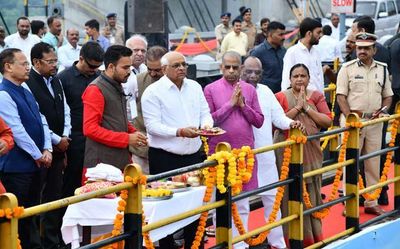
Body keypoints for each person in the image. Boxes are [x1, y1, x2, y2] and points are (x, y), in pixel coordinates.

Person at [141, 51, 212, 248]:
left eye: (184, 64)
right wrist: (179, 131)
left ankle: (194, 245)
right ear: (164, 69)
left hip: (194, 157)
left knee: (197, 204)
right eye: (176, 65)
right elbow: (152, 127)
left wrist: (206, 126)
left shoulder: (195, 87)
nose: (182, 68)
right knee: (167, 206)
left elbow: (205, 113)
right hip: (165, 158)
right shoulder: (153, 92)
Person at [241, 56, 304, 249]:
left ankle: (277, 243)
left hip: (266, 155)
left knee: (272, 200)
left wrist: (291, 123)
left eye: (257, 72)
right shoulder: (233, 91)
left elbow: (279, 118)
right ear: (241, 69)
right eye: (249, 71)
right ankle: (239, 245)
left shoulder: (266, 91)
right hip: (242, 158)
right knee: (240, 204)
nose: (253, 75)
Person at [204, 51, 264, 249]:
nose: (231, 71)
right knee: (218, 201)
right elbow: (209, 122)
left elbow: (259, 121)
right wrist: (230, 105)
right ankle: (222, 244)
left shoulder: (249, 90)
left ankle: (240, 245)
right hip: (219, 155)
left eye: (235, 67)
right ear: (221, 67)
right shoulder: (211, 89)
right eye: (227, 67)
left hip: (243, 154)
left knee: (243, 202)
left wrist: (243, 105)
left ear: (241, 68)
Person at [0, 48, 52, 249]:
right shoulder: (4, 94)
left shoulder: (25, 89)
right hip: (16, 168)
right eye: (23, 63)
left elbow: (42, 120)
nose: (27, 67)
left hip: (35, 163)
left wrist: (47, 147)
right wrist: (38, 154)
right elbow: (16, 131)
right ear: (8, 66)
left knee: (32, 214)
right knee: (18, 218)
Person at [336, 32, 393, 215]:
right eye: (359, 48)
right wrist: (351, 118)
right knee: (351, 162)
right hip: (354, 122)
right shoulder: (347, 68)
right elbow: (341, 97)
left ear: (374, 50)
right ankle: (349, 203)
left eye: (366, 48)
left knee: (373, 162)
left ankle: (371, 201)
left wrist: (383, 111)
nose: (362, 51)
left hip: (375, 122)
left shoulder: (382, 69)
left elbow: (388, 96)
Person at [275, 63, 331, 246]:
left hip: (311, 152)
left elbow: (327, 121)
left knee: (312, 195)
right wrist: (297, 108)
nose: (299, 79)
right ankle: (292, 240)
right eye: (295, 76)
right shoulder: (281, 97)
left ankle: (312, 239)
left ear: (308, 79)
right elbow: (276, 123)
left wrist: (306, 108)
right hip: (286, 154)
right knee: (289, 194)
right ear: (290, 80)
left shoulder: (316, 96)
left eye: (303, 76)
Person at [26, 42, 71, 249]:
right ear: (36, 62)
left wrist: (65, 135)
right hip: (42, 150)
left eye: (56, 61)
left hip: (61, 146)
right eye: (50, 61)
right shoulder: (28, 84)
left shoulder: (56, 80)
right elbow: (37, 118)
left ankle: (53, 241)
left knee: (55, 196)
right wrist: (55, 140)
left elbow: (65, 108)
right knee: (38, 200)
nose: (54, 65)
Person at [82, 45, 147, 171]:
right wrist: (127, 138)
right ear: (111, 67)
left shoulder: (117, 84)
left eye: (130, 67)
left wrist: (134, 133)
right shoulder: (95, 89)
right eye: (125, 67)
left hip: (119, 160)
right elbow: (90, 129)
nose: (129, 71)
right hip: (101, 167)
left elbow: (117, 118)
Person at [57, 41, 104, 198]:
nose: (93, 71)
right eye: (91, 66)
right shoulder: (63, 79)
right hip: (74, 140)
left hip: (97, 138)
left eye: (97, 67)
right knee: (72, 183)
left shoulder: (100, 78)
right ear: (81, 58)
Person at [130, 46, 167, 174]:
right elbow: (130, 111)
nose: (152, 74)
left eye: (157, 70)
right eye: (149, 69)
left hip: (169, 146)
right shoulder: (137, 81)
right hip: (142, 148)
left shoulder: (178, 83)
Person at [281, 18, 324, 93]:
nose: (320, 36)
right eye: (318, 32)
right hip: (301, 100)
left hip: (317, 100)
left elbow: (320, 79)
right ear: (309, 33)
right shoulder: (292, 52)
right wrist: (287, 100)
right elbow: (286, 80)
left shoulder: (316, 52)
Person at [250, 21, 286, 93]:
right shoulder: (257, 52)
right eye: (280, 35)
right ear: (270, 34)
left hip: (282, 94)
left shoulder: (284, 51)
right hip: (264, 95)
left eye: (284, 34)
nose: (284, 37)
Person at [123, 34, 148, 122]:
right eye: (136, 50)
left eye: (143, 51)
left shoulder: (146, 70)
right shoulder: (120, 70)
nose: (140, 54)